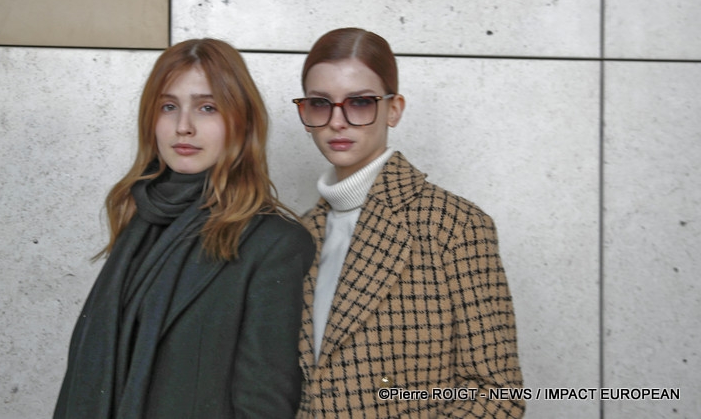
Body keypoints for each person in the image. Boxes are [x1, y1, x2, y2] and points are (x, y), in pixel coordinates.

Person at [54, 38, 315, 419]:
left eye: (207, 107)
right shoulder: (139, 224)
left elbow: (264, 405)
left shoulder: (275, 244)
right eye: (169, 106)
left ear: (242, 121)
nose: (183, 127)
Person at [291, 27, 525, 417]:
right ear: (304, 113)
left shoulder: (453, 226)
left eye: (360, 102)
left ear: (394, 109)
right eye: (320, 104)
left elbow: (497, 394)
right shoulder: (296, 235)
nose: (337, 121)